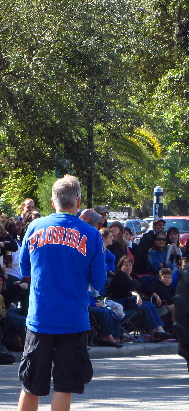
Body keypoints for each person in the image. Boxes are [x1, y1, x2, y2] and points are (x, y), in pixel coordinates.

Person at [17, 175, 106, 411]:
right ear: (78, 201)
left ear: (52, 201)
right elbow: (99, 281)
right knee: (65, 386)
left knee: (31, 385)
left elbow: (24, 269)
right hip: (73, 320)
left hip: (40, 318)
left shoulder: (34, 227)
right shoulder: (92, 235)